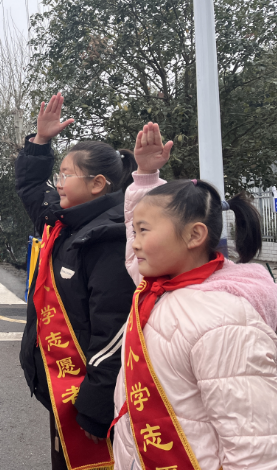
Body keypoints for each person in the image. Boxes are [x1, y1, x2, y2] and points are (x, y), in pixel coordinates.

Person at [112, 122, 277, 469]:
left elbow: (255, 445)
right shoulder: (159, 286)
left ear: (194, 236)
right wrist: (144, 175)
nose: (135, 241)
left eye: (143, 231)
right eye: (133, 231)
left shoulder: (226, 321)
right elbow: (135, 253)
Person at [16, 92, 137, 469]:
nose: (59, 182)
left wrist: (97, 404)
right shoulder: (63, 223)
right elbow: (31, 190)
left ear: (98, 183)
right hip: (61, 391)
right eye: (60, 174)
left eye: (66, 174)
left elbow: (114, 329)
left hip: (90, 402)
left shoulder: (110, 238)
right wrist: (40, 143)